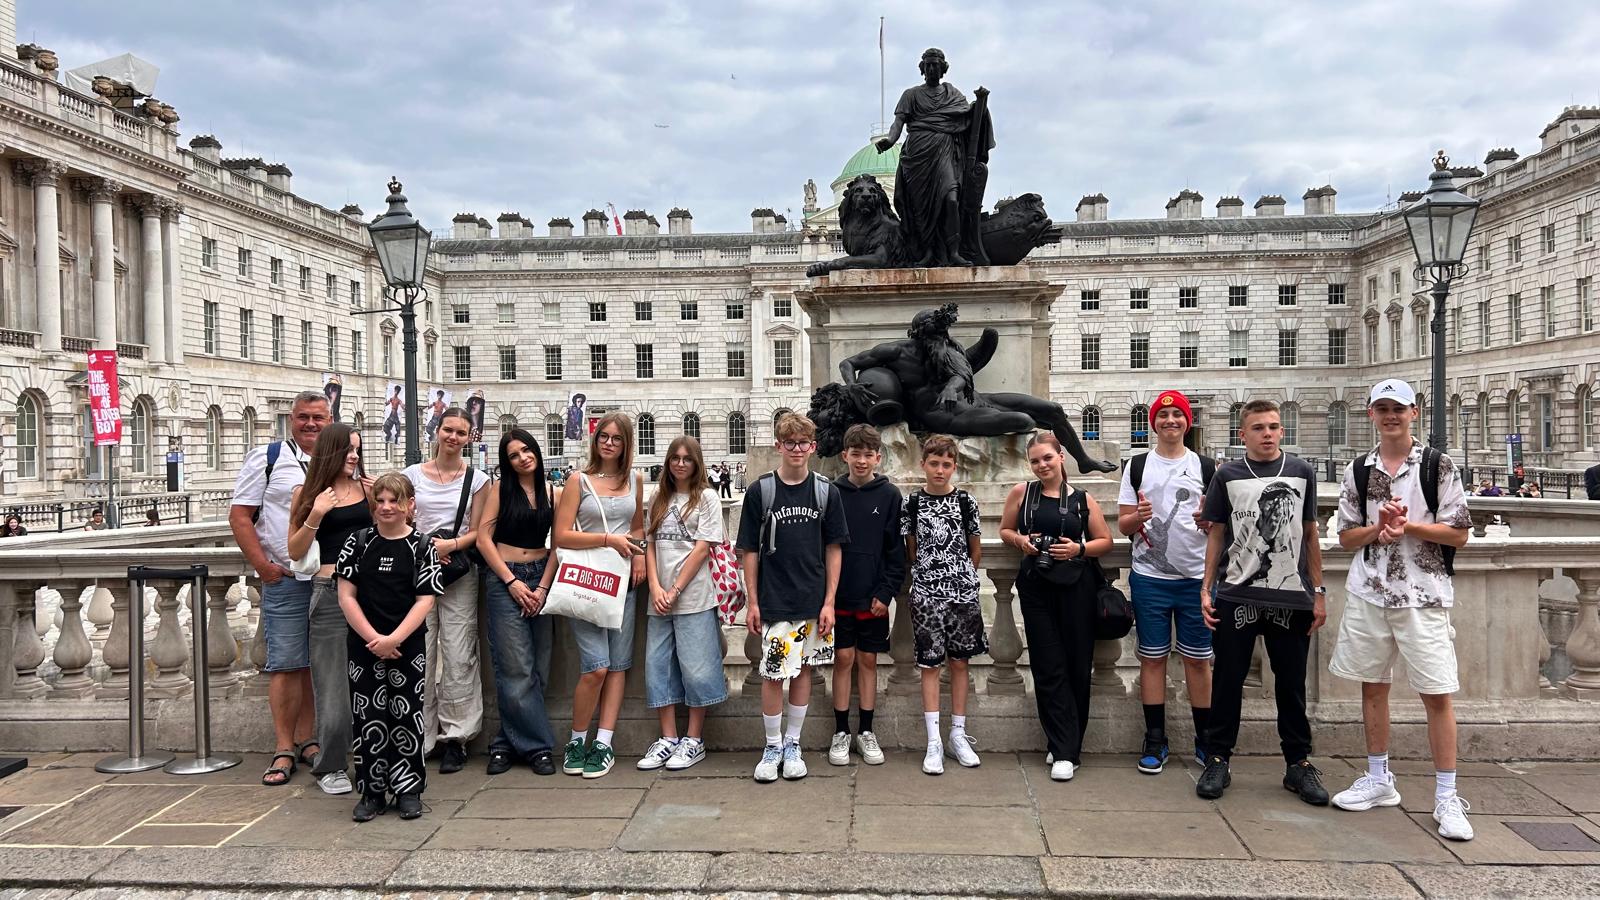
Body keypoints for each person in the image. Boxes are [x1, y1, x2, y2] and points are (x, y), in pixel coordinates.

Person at [1330, 379, 1475, 841]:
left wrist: (1407, 526)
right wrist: (1379, 529)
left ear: (1414, 412)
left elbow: (1459, 533)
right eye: (1382, 408)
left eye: (1399, 408)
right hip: (1370, 592)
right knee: (1373, 688)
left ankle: (1447, 796)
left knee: (1437, 693)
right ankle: (1378, 778)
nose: (1390, 416)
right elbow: (1346, 537)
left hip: (1423, 594)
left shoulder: (1437, 465)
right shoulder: (1358, 469)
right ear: (1371, 414)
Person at [1196, 399, 1328, 804]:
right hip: (1237, 593)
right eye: (1258, 428)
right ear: (1243, 435)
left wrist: (1318, 592)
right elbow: (1216, 533)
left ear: (1282, 431)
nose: (1267, 434)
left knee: (1291, 685)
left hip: (1291, 597)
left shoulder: (1302, 472)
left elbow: (1310, 534)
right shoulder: (1227, 475)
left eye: (1273, 427)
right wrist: (1206, 588)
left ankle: (1298, 763)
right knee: (1227, 681)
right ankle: (1218, 758)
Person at [736, 412, 848, 783]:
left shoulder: (825, 491)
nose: (796, 449)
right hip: (775, 598)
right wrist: (752, 601)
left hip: (813, 598)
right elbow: (748, 550)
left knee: (803, 671)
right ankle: (772, 746)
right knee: (772, 674)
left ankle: (792, 743)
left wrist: (829, 602)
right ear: (778, 446)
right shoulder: (761, 491)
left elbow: (834, 548)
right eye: (790, 443)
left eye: (802, 443)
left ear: (813, 447)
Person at [999, 432, 1113, 782]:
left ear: (1061, 456)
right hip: (1036, 587)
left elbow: (1105, 541)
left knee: (1077, 664)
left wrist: (1078, 549)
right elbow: (1005, 530)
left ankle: (1067, 746)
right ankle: (1062, 746)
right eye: (1035, 461)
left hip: (1076, 587)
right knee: (1047, 665)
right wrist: (1021, 541)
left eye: (1047, 458)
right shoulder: (1022, 493)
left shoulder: (1082, 499)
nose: (1041, 465)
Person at [229, 391, 326, 788]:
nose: (311, 424)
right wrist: (263, 566)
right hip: (285, 579)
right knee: (285, 664)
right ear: (291, 419)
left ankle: (310, 739)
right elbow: (240, 516)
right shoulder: (268, 458)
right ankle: (284, 746)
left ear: (330, 420)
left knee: (317, 664)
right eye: (304, 417)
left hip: (328, 580)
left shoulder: (339, 459)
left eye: (318, 417)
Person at [1116, 390, 1214, 774]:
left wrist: (1209, 522)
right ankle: (1155, 738)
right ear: (1153, 423)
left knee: (1198, 661)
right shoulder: (1137, 466)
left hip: (1196, 579)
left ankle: (1205, 738)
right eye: (1163, 415)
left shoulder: (1207, 467)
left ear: (1187, 422)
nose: (1170, 421)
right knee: (1152, 659)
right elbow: (1123, 524)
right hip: (1150, 578)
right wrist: (1138, 516)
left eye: (1177, 415)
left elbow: (1219, 526)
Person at [334, 472, 441, 822]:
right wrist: (373, 639)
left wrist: (394, 639)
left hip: (407, 645)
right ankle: (372, 790)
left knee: (407, 715)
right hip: (363, 644)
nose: (386, 507)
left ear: (410, 505)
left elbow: (425, 600)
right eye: (380, 501)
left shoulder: (423, 546)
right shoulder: (357, 542)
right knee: (367, 717)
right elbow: (346, 597)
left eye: (394, 500)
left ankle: (408, 789)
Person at [553, 412, 646, 779]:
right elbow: (562, 535)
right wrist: (608, 539)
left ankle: (604, 742)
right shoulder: (578, 480)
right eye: (603, 436)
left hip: (624, 582)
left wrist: (640, 555)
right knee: (596, 666)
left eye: (616, 438)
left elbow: (638, 527)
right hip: (588, 580)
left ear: (626, 444)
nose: (609, 443)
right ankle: (576, 740)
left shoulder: (635, 479)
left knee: (619, 665)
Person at [285, 422, 371, 796]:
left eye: (357, 449)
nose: (354, 456)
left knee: (375, 679)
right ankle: (331, 765)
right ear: (331, 451)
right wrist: (316, 513)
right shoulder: (307, 493)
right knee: (333, 685)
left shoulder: (368, 489)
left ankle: (373, 757)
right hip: (330, 591)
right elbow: (294, 550)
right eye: (348, 449)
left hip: (372, 592)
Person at [404, 409, 492, 774]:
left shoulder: (477, 479)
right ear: (437, 431)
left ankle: (457, 736)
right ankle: (420, 735)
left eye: (460, 432)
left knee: (459, 652)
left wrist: (450, 546)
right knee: (419, 651)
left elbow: (480, 530)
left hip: (458, 570)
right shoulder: (412, 475)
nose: (453, 437)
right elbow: (400, 519)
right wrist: (426, 547)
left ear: (470, 438)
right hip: (416, 569)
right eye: (448, 430)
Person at [637, 435, 726, 772]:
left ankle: (694, 739)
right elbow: (650, 544)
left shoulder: (707, 497)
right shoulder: (659, 497)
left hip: (694, 596)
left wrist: (674, 590)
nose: (680, 463)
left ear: (697, 462)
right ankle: (669, 737)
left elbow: (702, 549)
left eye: (687, 458)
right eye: (675, 458)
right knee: (658, 667)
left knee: (697, 668)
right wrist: (656, 587)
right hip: (659, 597)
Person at [477, 428, 562, 776]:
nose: (523, 458)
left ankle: (504, 744)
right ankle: (538, 748)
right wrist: (510, 581)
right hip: (505, 576)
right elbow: (483, 539)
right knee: (515, 666)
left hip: (541, 576)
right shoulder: (500, 489)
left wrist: (541, 588)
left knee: (538, 667)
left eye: (527, 450)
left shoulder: (553, 492)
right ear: (507, 462)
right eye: (514, 455)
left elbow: (559, 545)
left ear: (536, 451)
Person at [903, 434, 985, 775]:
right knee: (930, 665)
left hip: (961, 593)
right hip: (926, 595)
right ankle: (933, 740)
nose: (940, 470)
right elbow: (911, 549)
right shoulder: (912, 503)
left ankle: (958, 733)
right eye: (934, 464)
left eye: (946, 464)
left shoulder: (966, 502)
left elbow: (974, 548)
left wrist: (962, 578)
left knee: (960, 663)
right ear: (923, 464)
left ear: (954, 466)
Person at [828, 424, 905, 767]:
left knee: (869, 660)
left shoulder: (890, 496)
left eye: (868, 455)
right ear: (845, 455)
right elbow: (824, 547)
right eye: (855, 454)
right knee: (843, 659)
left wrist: (886, 592)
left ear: (878, 457)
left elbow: (895, 551)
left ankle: (866, 730)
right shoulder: (832, 493)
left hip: (873, 596)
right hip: (840, 595)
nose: (861, 461)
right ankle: (841, 730)